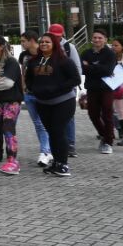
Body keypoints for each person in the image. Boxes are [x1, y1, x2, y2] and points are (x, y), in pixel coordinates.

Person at [24, 31, 81, 177]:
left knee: (58, 131)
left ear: (54, 44)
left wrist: (56, 88)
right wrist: (33, 89)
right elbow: (28, 78)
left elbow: (76, 79)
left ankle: (63, 165)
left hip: (63, 101)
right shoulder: (33, 61)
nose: (44, 44)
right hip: (42, 102)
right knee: (52, 133)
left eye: (47, 42)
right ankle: (56, 162)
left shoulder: (64, 61)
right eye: (42, 42)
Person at [0, 37, 24, 175]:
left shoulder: (11, 62)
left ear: (2, 46)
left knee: (8, 128)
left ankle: (13, 161)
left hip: (12, 100)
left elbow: (7, 83)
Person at [18, 31, 53, 168]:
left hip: (43, 94)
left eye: (23, 41)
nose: (22, 44)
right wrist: (23, 89)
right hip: (29, 94)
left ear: (32, 40)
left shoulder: (43, 53)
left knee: (44, 123)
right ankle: (46, 150)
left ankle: (45, 151)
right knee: (38, 124)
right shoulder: (23, 55)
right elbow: (23, 72)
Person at [79, 29, 116, 154]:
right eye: (95, 37)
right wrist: (98, 68)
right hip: (92, 88)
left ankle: (108, 142)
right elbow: (82, 69)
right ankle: (105, 135)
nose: (97, 40)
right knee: (93, 114)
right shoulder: (86, 53)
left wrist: (90, 66)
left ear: (105, 40)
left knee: (107, 114)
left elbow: (108, 70)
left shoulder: (110, 54)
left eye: (100, 38)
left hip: (106, 88)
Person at [47, 23, 79, 157]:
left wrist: (71, 85)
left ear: (62, 35)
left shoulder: (69, 47)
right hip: (50, 89)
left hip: (67, 89)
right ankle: (55, 144)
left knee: (68, 117)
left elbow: (77, 67)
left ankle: (70, 144)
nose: (55, 39)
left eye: (58, 36)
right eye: (53, 36)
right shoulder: (45, 46)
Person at [113, 37, 123, 148]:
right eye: (113, 45)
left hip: (121, 87)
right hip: (114, 87)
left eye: (116, 45)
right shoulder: (111, 57)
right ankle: (120, 131)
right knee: (117, 112)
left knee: (121, 112)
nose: (114, 47)